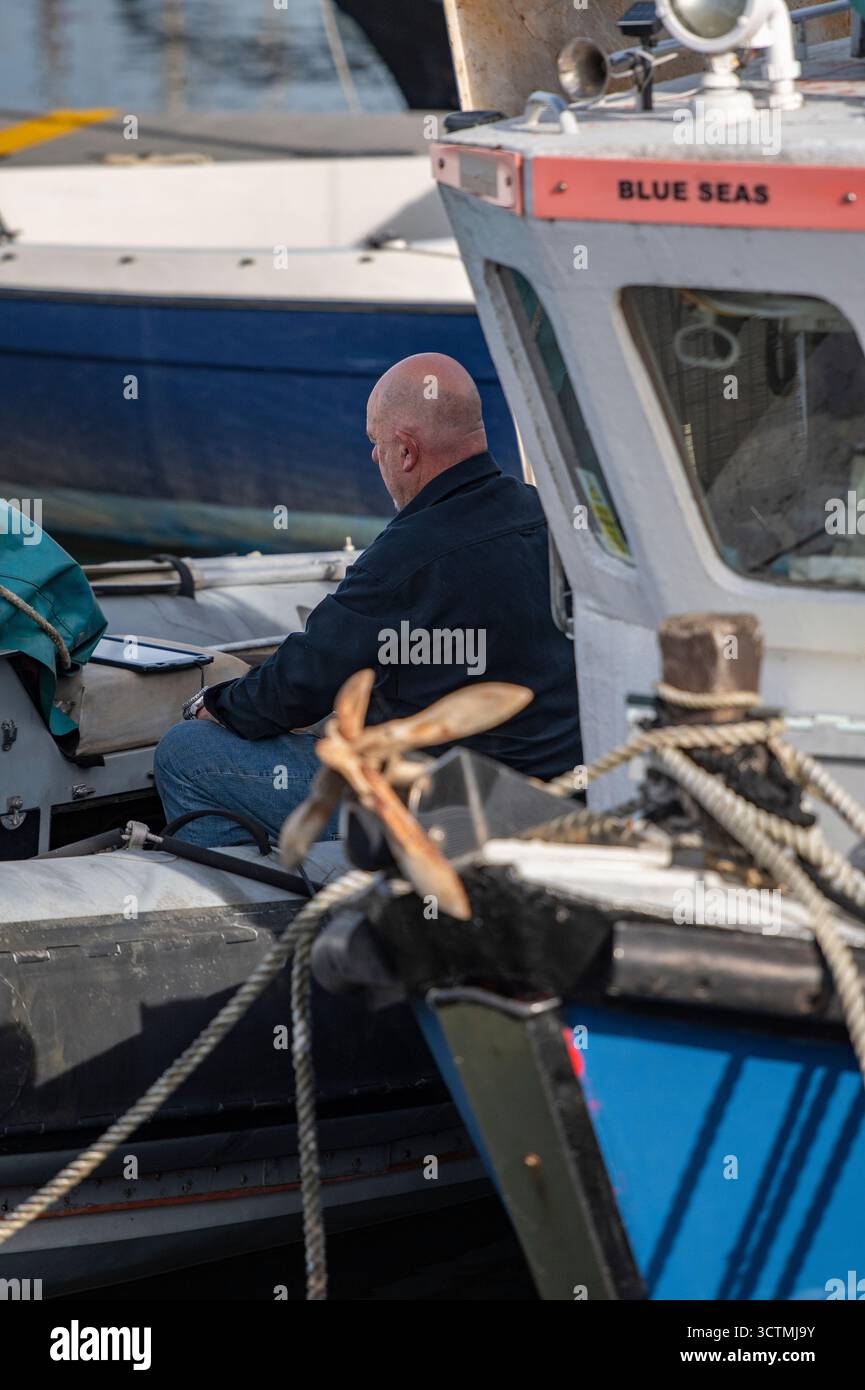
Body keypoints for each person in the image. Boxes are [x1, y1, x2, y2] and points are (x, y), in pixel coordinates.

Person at [154, 352, 581, 845]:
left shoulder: (406, 557)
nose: (374, 457)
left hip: (445, 815)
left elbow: (296, 687)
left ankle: (257, 897)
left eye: (375, 443)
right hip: (554, 797)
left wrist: (215, 704)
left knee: (186, 754)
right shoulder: (545, 519)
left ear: (405, 451)